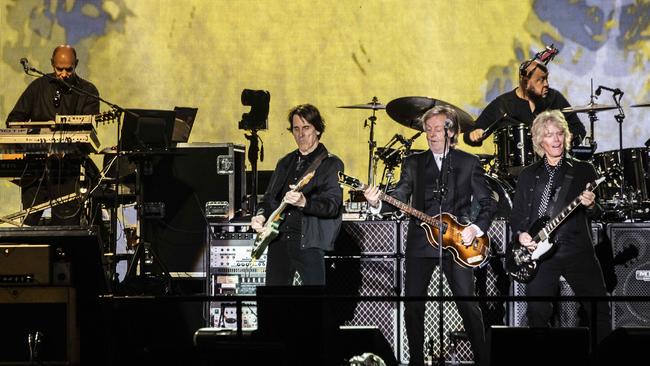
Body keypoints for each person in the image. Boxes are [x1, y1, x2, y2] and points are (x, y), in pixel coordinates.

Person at [364, 105, 497, 366]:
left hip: (460, 242)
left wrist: (475, 229)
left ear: (451, 131)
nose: (432, 134)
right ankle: (415, 361)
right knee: (413, 305)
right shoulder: (414, 163)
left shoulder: (468, 163)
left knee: (468, 304)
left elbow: (488, 202)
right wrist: (377, 203)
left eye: (438, 129)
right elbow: (400, 196)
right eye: (428, 130)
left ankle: (483, 360)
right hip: (420, 243)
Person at [509, 110, 610, 342]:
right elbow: (517, 217)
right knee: (537, 315)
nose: (555, 140)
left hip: (577, 251)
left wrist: (591, 204)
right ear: (539, 141)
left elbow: (598, 212)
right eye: (549, 135)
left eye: (559, 134)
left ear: (566, 137)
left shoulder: (584, 169)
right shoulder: (528, 175)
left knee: (599, 312)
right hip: (540, 255)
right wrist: (521, 235)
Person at [6, 44, 100, 225]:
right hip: (35, 169)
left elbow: (86, 132)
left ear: (76, 64)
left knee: (66, 227)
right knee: (29, 223)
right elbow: (13, 120)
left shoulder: (88, 91)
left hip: (68, 171)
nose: (64, 74)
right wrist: (38, 138)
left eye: (69, 69)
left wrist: (64, 147)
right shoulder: (37, 87)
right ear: (51, 64)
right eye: (59, 69)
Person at [251, 104, 344, 286]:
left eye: (306, 128)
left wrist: (304, 202)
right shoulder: (285, 162)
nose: (301, 134)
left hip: (309, 243)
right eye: (296, 129)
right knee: (274, 303)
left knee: (313, 303)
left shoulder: (331, 164)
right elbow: (269, 198)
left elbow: (332, 206)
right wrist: (260, 215)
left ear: (317, 130)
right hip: (278, 240)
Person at [463, 58, 586, 149]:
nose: (546, 84)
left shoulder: (554, 98)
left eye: (546, 78)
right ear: (525, 82)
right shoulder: (503, 104)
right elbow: (470, 133)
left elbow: (579, 129)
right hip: (513, 175)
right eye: (540, 80)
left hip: (553, 168)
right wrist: (473, 135)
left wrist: (562, 139)